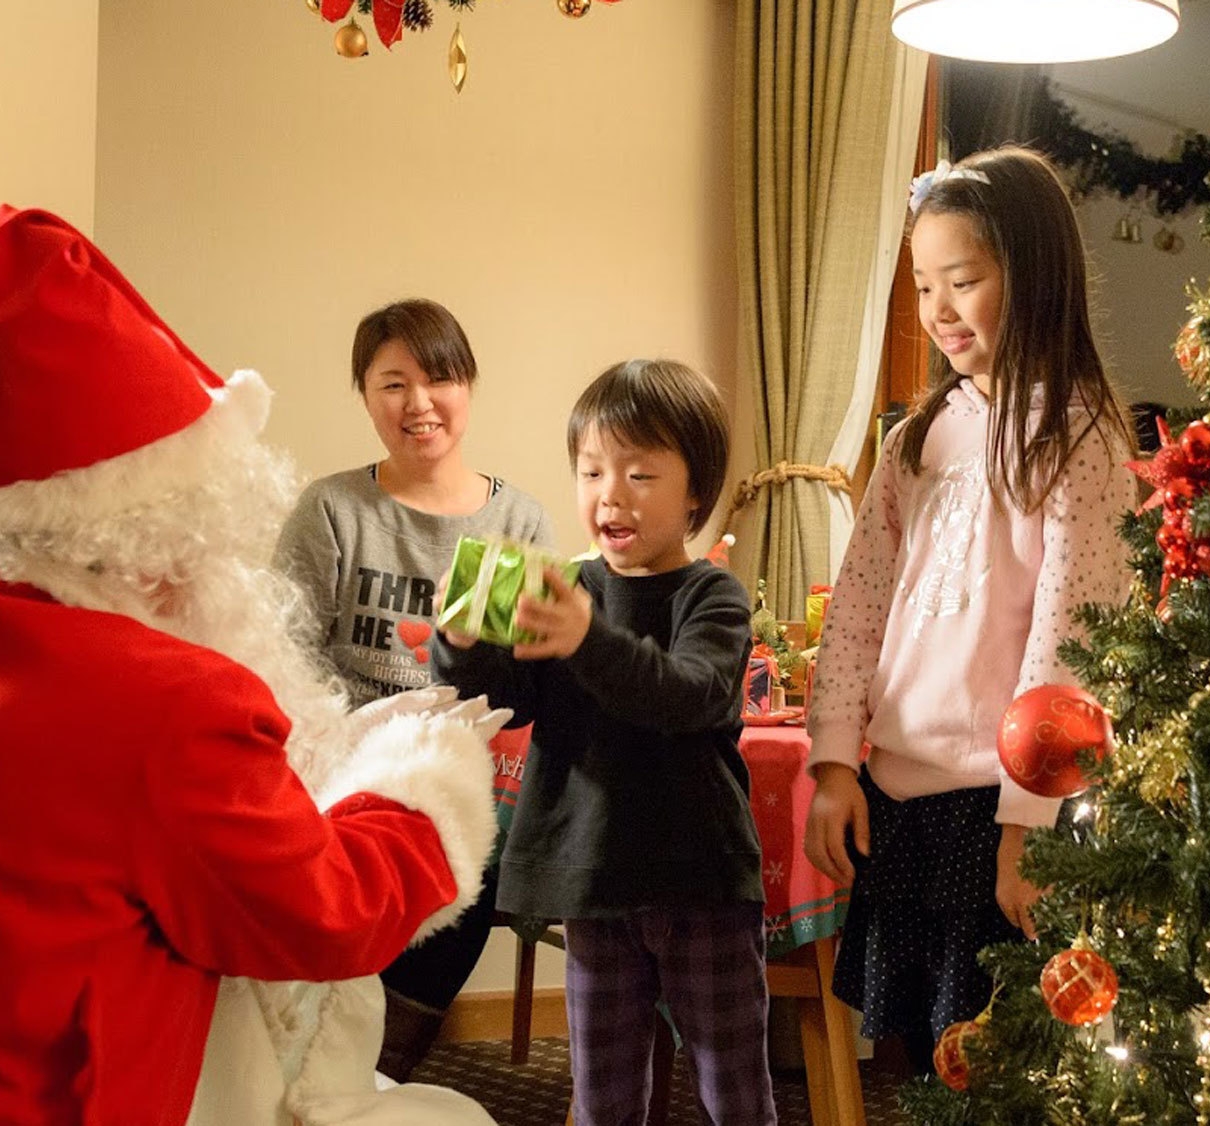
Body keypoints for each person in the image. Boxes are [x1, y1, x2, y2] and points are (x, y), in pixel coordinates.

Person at [0, 206, 501, 1126]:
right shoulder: (167, 700)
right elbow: (324, 915)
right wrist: (425, 778)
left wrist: (323, 760)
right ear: (168, 528)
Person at [800, 147, 1141, 1074]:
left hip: (998, 812)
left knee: (991, 1069)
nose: (937, 310)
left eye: (964, 280)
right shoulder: (919, 434)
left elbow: (1070, 642)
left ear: (1030, 277)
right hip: (896, 798)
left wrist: (1026, 825)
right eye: (922, 284)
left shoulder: (1079, 437)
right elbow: (859, 607)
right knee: (912, 1060)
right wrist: (834, 763)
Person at [434, 360, 776, 1126]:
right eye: (591, 471)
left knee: (735, 1091)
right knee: (603, 1097)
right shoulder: (568, 588)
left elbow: (687, 695)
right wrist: (462, 642)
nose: (609, 494)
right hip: (592, 882)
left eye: (639, 472)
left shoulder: (710, 594)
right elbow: (504, 700)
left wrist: (587, 639)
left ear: (695, 491)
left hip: (702, 883)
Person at [275, 298, 553, 1079]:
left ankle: (379, 1066)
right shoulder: (333, 511)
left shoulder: (513, 522)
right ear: (365, 396)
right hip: (345, 760)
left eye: (438, 379)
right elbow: (285, 659)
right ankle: (323, 1057)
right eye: (393, 384)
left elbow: (517, 684)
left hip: (471, 765)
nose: (418, 404)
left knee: (476, 837)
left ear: (468, 387)